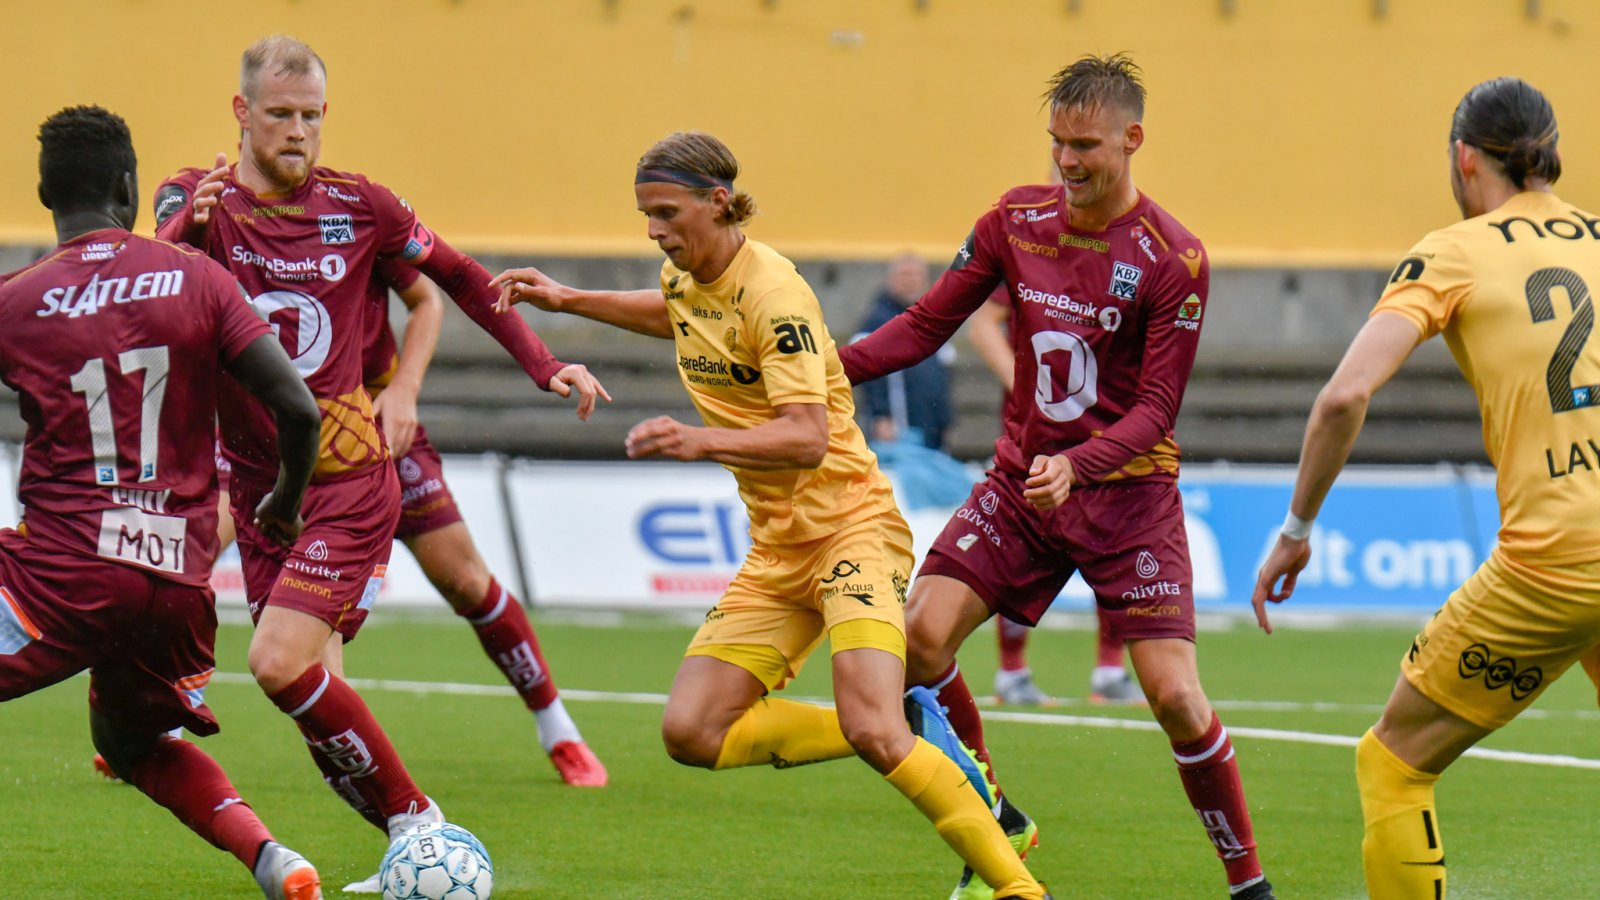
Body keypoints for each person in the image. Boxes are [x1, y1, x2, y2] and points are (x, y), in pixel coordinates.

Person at [492, 131, 1051, 899]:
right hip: (780, 548)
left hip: (853, 528)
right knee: (691, 732)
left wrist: (700, 439)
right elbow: (676, 314)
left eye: (665, 212)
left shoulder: (777, 296)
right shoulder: (690, 274)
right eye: (645, 215)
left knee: (873, 730)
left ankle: (1017, 887)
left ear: (718, 202)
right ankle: (908, 727)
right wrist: (567, 300)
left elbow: (807, 435)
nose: (654, 229)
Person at [150, 34, 608, 867]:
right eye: (281, 114)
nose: (298, 131)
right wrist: (189, 224)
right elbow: (156, 275)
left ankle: (428, 821)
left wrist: (545, 363)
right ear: (242, 113)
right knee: (308, 694)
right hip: (260, 488)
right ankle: (412, 853)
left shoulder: (361, 205)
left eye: (313, 116)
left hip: (349, 478)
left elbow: (461, 279)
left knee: (286, 662)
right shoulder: (192, 195)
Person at [839, 55, 1273, 899]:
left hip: (1128, 497)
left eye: (1085, 145)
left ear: (1132, 139)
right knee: (917, 643)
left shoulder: (1173, 257)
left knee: (1178, 699)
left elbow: (1155, 408)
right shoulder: (1013, 219)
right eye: (1056, 145)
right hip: (1022, 487)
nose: (1068, 163)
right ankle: (995, 817)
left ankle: (1248, 884)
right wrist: (826, 373)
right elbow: (927, 323)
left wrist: (1078, 464)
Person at [1253, 77, 1591, 900]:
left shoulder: (1455, 250)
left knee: (1394, 761)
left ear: (1463, 158)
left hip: (1554, 563)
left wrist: (1298, 525)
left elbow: (1343, 395)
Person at [0, 105, 323, 899]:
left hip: (63, 576)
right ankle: (272, 858)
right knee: (132, 740)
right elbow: (298, 410)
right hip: (174, 584)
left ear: (45, 191)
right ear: (128, 184)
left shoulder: (16, 301)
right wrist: (281, 502)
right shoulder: (201, 279)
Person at [359, 258, 606, 786]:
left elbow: (431, 296)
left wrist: (404, 386)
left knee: (467, 579)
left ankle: (557, 727)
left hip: (380, 428)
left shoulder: (357, 208)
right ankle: (163, 723)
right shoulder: (218, 212)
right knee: (198, 551)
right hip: (275, 436)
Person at [967, 295, 1141, 707]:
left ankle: (1110, 671)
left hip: (1099, 436)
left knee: (1110, 547)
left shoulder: (1127, 259)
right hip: (1034, 438)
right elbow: (983, 323)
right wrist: (1026, 386)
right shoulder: (1036, 248)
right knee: (1020, 551)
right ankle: (1012, 672)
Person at [854, 253, 953, 450]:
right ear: (891, 280)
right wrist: (880, 414)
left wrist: (945, 421)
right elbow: (868, 373)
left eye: (917, 275)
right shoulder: (877, 320)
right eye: (905, 275)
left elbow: (942, 378)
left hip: (929, 426)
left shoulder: (934, 318)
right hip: (896, 428)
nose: (911, 281)